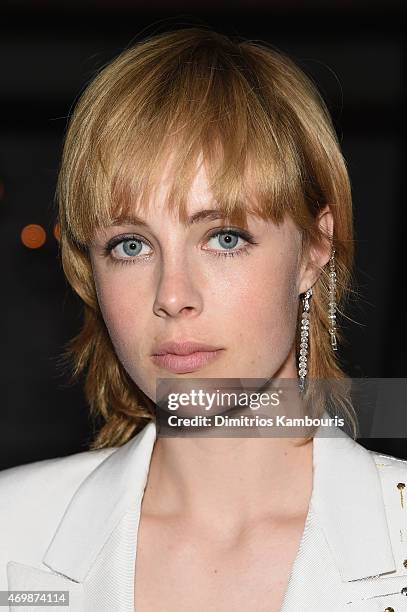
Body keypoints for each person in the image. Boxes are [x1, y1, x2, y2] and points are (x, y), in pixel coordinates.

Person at [1, 27, 407, 612]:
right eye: (131, 246)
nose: (172, 294)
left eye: (223, 236)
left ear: (314, 250)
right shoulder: (10, 531)